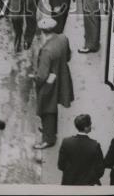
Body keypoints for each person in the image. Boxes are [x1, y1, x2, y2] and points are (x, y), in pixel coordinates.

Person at [33, 16, 74, 149]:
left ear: (43, 32)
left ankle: (48, 138)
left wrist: (36, 79)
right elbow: (68, 56)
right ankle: (50, 131)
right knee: (53, 107)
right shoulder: (63, 38)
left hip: (49, 83)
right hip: (62, 77)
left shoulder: (46, 50)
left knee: (47, 109)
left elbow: (42, 75)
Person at [57, 113, 105, 185]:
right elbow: (100, 170)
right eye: (90, 124)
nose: (91, 126)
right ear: (86, 128)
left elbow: (61, 165)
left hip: (69, 183)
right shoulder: (95, 145)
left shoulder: (66, 142)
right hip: (88, 184)